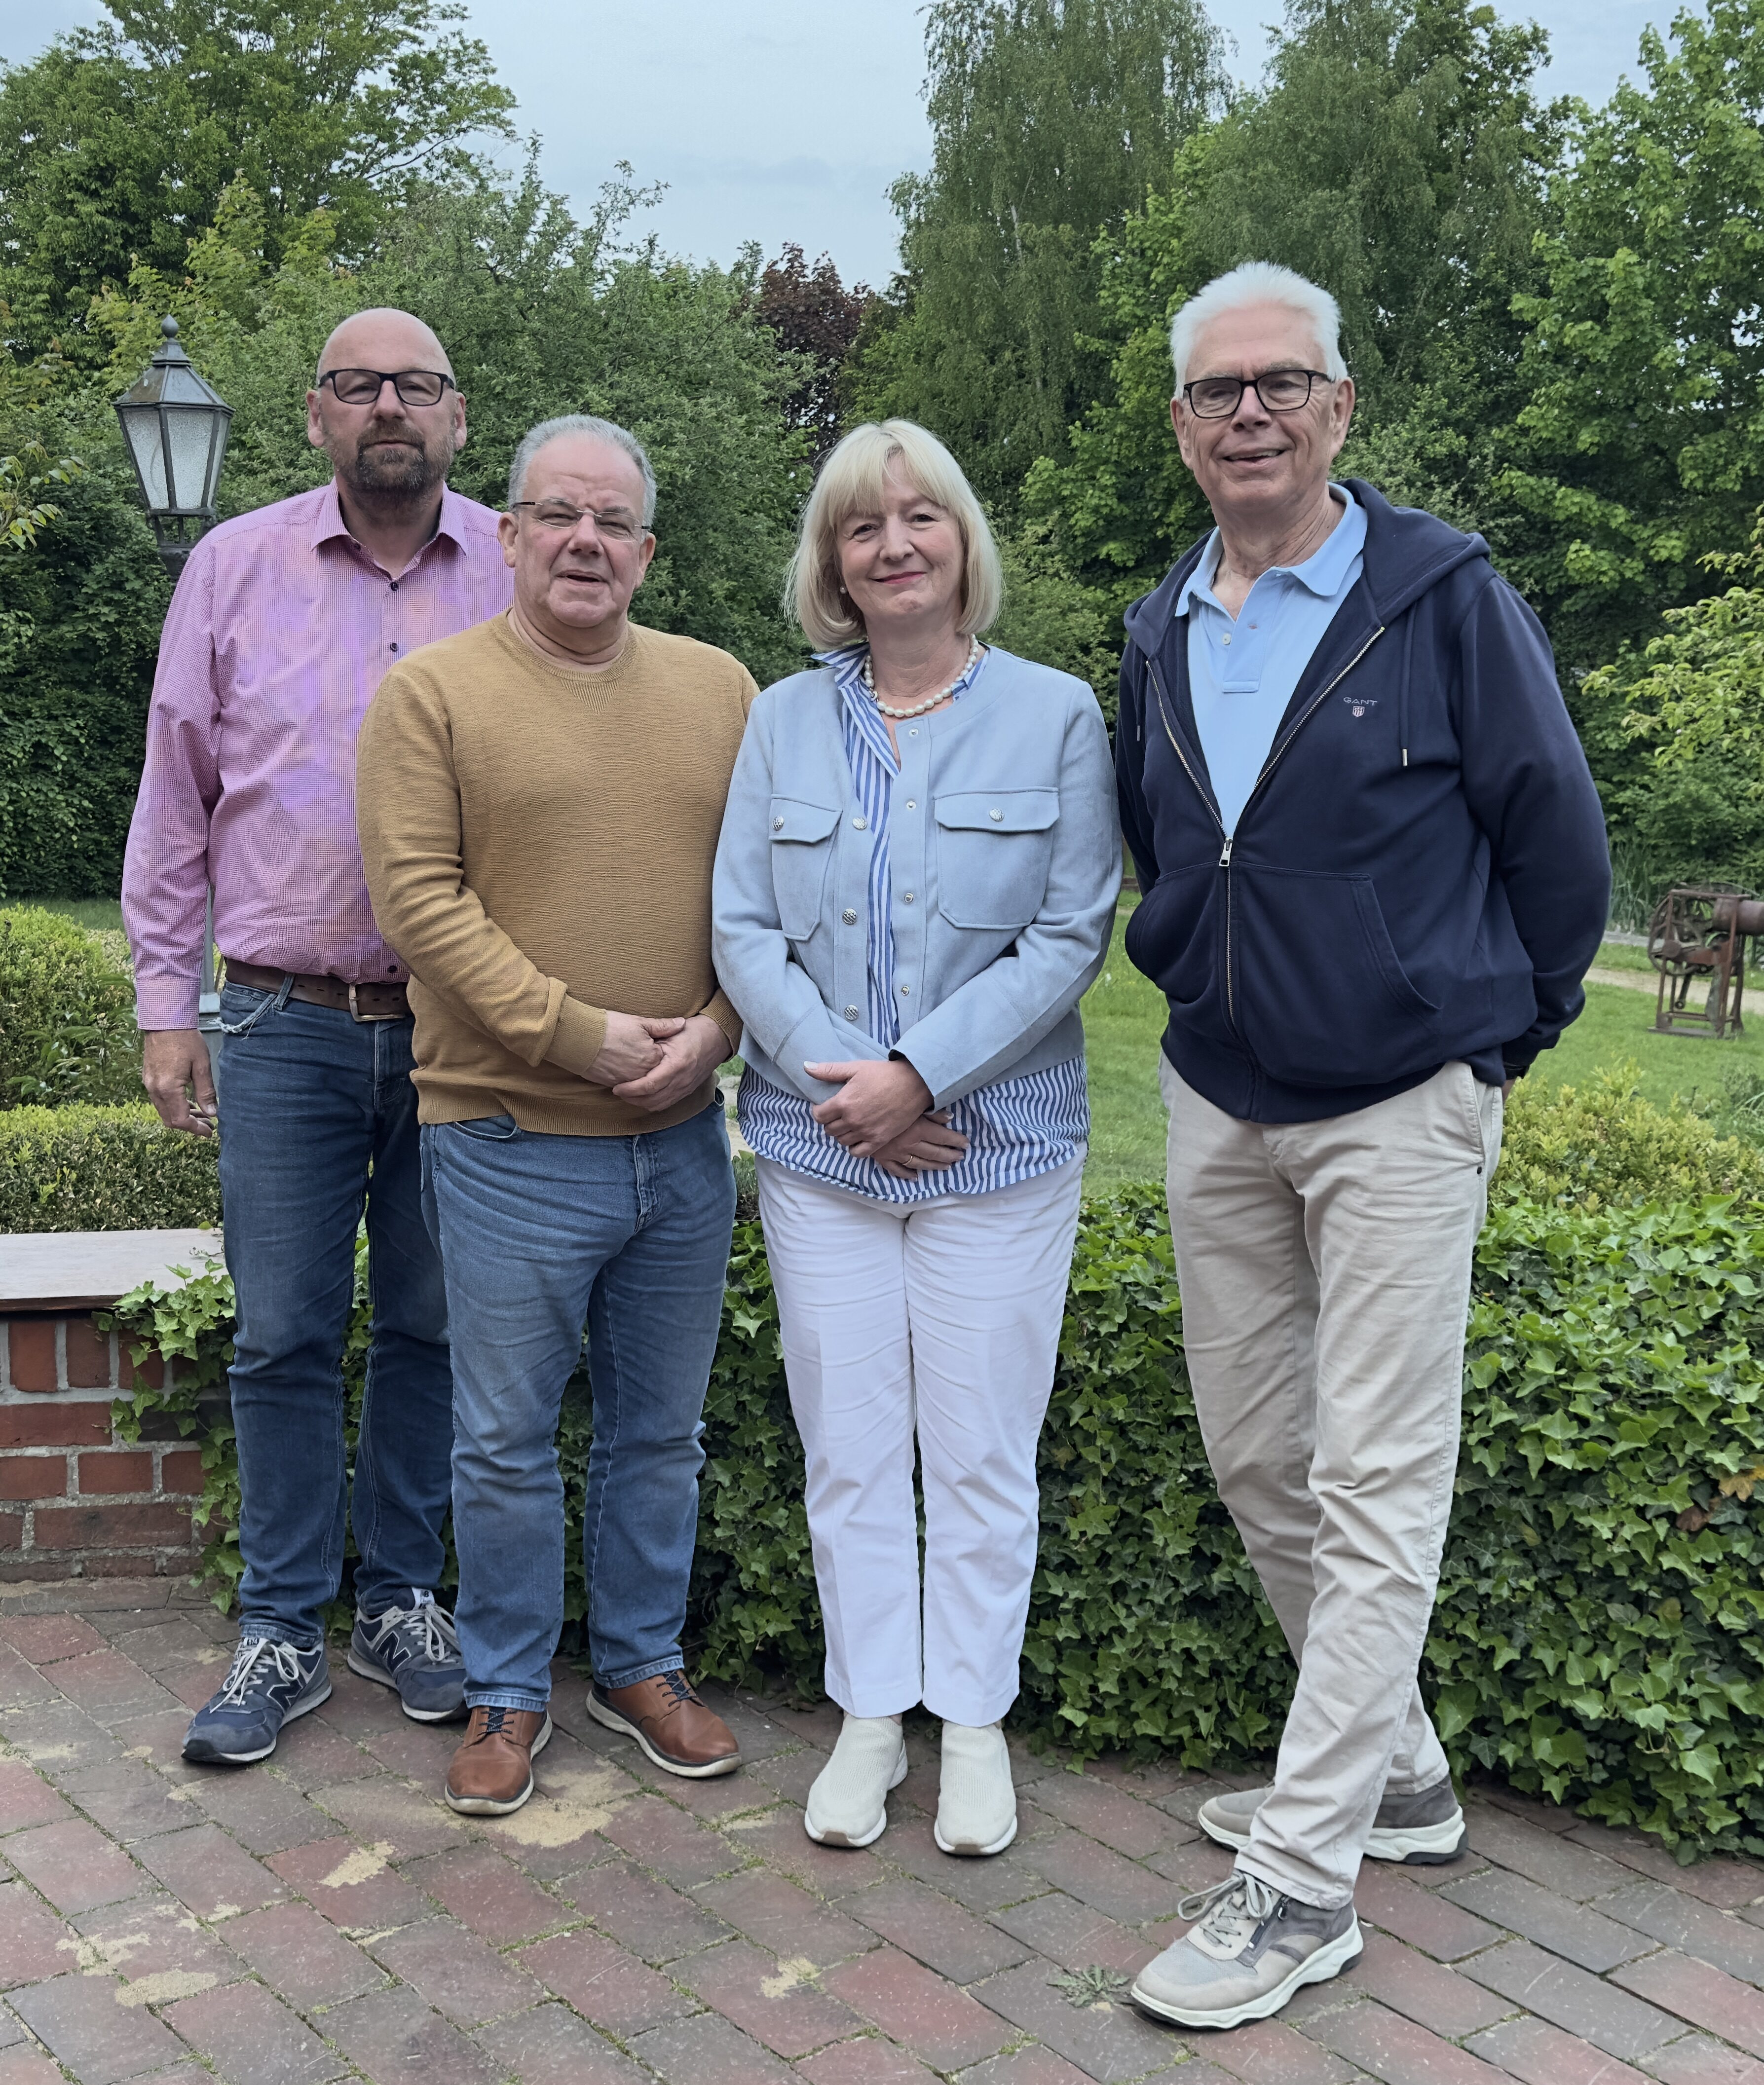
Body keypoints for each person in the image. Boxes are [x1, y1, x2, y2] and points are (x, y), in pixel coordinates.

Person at [1115, 262, 1610, 2029]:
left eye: (1283, 381)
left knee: (1377, 1478)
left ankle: (1305, 1877)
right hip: (1220, 1091)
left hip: (1402, 1098)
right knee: (1261, 1453)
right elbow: (1170, 841)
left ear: (1339, 405)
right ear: (1184, 424)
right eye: (1218, 389)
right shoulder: (1160, 623)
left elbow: (1558, 836)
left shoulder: (1442, 595)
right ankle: (1394, 1775)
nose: (1250, 412)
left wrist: (1496, 1040)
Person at [712, 419, 1120, 1857]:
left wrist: (920, 1075)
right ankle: (874, 1715)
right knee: (850, 1450)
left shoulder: (1056, 713)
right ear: (833, 564)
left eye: (920, 517)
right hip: (821, 1154)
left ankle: (975, 1725)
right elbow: (742, 927)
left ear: (962, 541)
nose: (894, 545)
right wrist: (857, 1094)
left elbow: (1071, 933)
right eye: (861, 525)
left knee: (982, 1452)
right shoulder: (779, 720)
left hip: (996, 1155)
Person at [123, 308, 515, 1765]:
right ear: (316, 414)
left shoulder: (517, 566)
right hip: (282, 1018)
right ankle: (282, 1623)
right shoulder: (234, 568)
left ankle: (401, 1600)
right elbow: (174, 800)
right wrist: (166, 1005)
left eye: (417, 384)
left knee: (432, 1324)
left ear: (458, 414)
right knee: (282, 1330)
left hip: (464, 1030)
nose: (388, 407)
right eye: (360, 386)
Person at [356, 413, 752, 1818]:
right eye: (559, 515)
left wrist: (718, 1032)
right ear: (510, 533)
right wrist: (581, 1038)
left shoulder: (722, 690)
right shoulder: (432, 695)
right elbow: (419, 906)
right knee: (505, 1441)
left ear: (647, 550)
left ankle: (640, 1666)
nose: (588, 540)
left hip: (683, 1141)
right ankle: (509, 1689)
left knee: (660, 1434)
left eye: (615, 521)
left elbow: (767, 900)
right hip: (506, 1137)